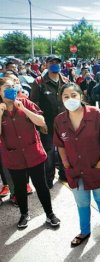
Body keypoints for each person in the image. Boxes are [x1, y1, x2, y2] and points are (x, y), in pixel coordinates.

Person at [53, 82, 100, 247]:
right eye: (66, 96)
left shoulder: (96, 114)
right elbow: (60, 144)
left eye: (74, 95)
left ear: (81, 96)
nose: (70, 99)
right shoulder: (60, 120)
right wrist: (66, 163)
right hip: (75, 170)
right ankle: (84, 231)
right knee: (82, 203)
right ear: (61, 99)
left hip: (98, 167)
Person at [0, 77, 60, 228]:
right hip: (14, 157)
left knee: (41, 186)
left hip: (34, 153)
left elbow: (41, 121)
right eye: (7, 87)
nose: (11, 89)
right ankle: (24, 214)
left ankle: (49, 214)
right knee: (20, 188)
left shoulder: (25, 102)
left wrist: (23, 109)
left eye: (13, 86)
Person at [30, 55, 69, 188]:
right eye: (51, 62)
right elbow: (34, 104)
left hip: (64, 124)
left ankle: (65, 174)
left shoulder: (65, 81)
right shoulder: (39, 82)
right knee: (49, 153)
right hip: (47, 125)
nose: (54, 64)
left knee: (66, 150)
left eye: (57, 62)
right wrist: (41, 124)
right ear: (45, 65)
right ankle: (49, 178)